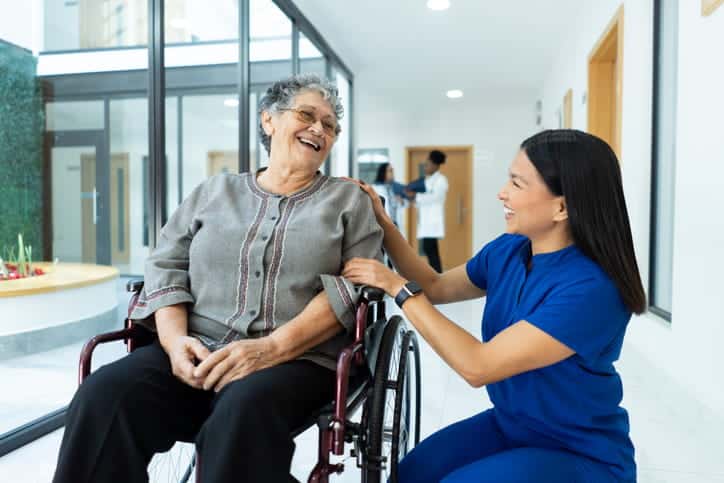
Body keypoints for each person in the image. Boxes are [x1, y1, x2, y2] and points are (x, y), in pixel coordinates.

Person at [52, 74, 383, 483]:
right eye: (307, 115)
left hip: (296, 360)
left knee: (242, 411)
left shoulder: (349, 201)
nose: (320, 128)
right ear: (269, 121)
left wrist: (270, 348)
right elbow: (166, 264)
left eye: (330, 125)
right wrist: (174, 344)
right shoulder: (214, 191)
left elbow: (352, 289)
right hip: (195, 348)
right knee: (105, 395)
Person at [343, 129, 645, 482]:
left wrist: (398, 289)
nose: (502, 193)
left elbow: (478, 366)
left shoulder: (591, 289)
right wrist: (383, 222)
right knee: (410, 475)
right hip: (511, 425)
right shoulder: (509, 250)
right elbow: (434, 286)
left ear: (562, 206)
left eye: (517, 184)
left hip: (578, 451)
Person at [408, 149, 448, 272]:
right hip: (426, 220)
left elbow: (436, 198)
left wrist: (416, 197)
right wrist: (414, 198)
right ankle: (437, 275)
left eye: (428, 164)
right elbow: (422, 198)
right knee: (430, 250)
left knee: (430, 250)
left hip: (433, 221)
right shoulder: (428, 180)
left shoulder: (441, 180)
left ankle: (437, 275)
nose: (426, 167)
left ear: (435, 165)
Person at [371, 162, 407, 228]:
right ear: (383, 172)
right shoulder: (375, 188)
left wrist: (401, 202)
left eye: (392, 171)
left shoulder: (396, 187)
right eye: (390, 171)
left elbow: (404, 203)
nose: (392, 173)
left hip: (394, 223)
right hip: (382, 223)